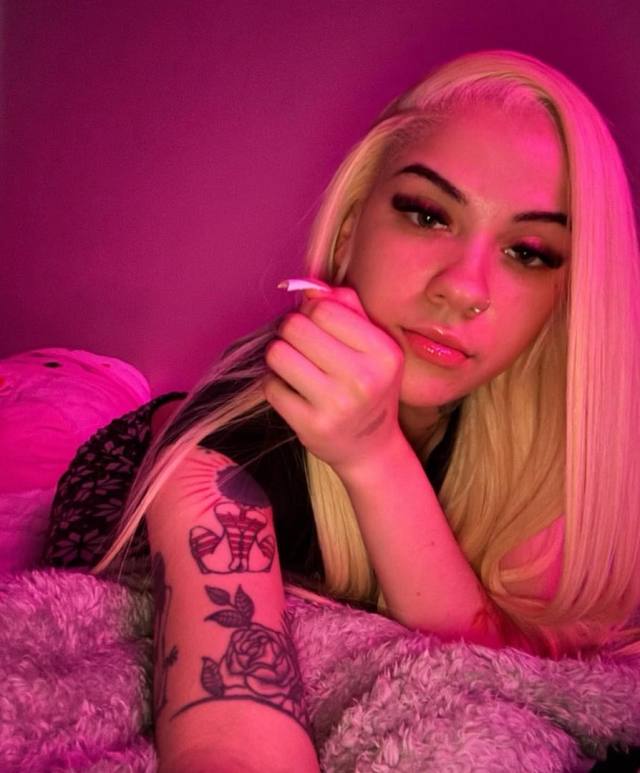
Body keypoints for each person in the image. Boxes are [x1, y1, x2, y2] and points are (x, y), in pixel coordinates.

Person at [46, 49, 640, 771]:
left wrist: (374, 452)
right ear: (353, 223)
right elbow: (227, 736)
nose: (464, 287)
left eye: (529, 251)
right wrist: (371, 450)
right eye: (427, 214)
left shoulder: (539, 428)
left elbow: (489, 649)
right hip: (136, 452)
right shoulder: (234, 451)